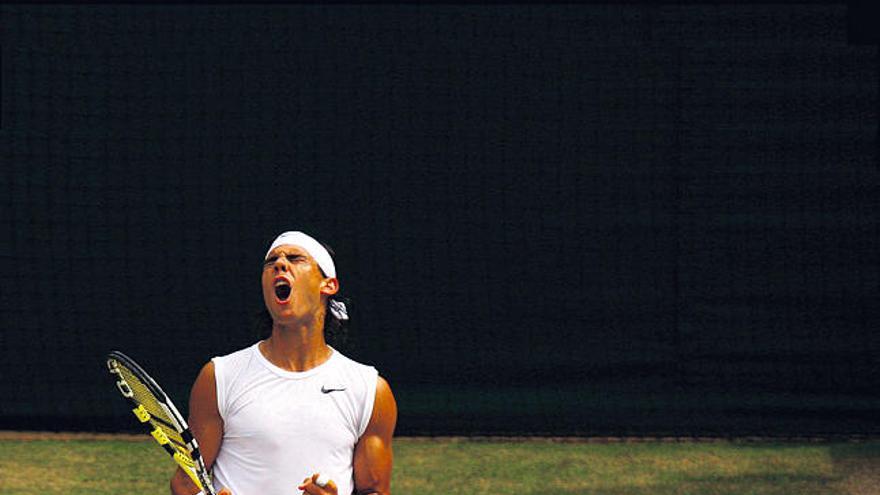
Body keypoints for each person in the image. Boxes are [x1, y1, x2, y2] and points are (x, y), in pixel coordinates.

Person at [170, 231, 397, 495]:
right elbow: (185, 484)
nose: (280, 263)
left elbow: (375, 490)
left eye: (295, 258)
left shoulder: (369, 390)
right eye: (271, 262)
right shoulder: (219, 377)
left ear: (329, 285)